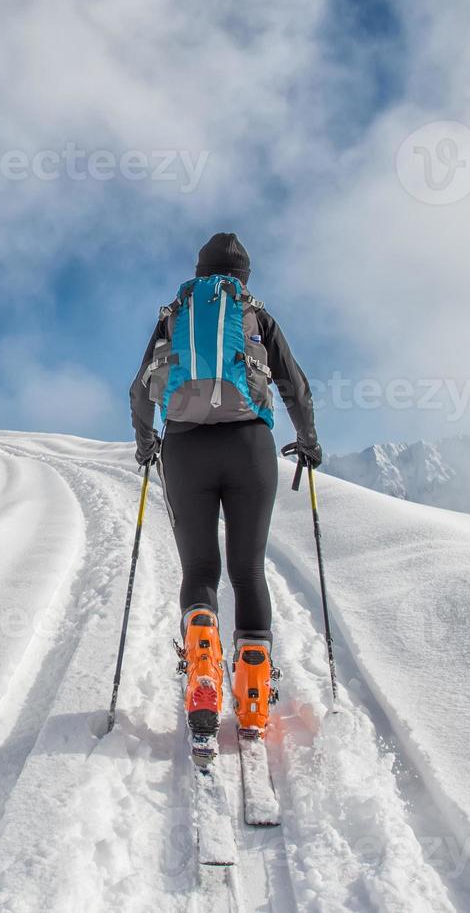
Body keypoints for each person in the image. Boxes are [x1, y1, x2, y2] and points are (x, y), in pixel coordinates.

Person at [128, 233, 321, 740]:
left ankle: (203, 679)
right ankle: (254, 699)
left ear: (199, 270)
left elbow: (139, 390)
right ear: (244, 278)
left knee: (199, 569)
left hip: (186, 447)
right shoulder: (255, 313)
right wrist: (308, 440)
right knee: (248, 569)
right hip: (250, 448)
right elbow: (294, 386)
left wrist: (148, 442)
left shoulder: (175, 314)